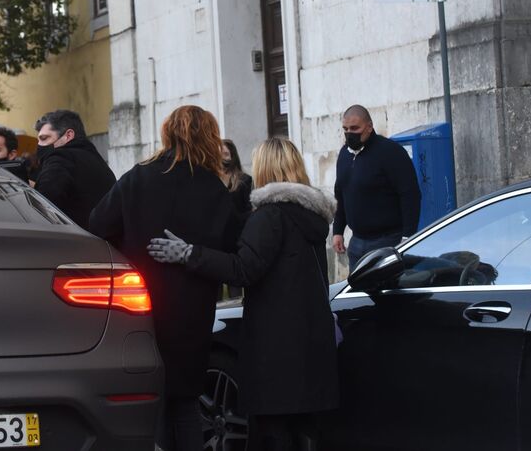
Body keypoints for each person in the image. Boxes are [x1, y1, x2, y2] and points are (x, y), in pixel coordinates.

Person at [147, 137, 339, 451]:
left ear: (265, 168)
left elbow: (242, 270)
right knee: (305, 429)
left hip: (277, 347)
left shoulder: (270, 216)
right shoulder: (312, 216)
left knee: (274, 431)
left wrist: (189, 254)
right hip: (310, 342)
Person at [88, 105, 241, 451]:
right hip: (193, 306)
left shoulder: (138, 177)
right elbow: (232, 246)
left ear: (167, 134)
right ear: (208, 137)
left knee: (148, 398)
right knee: (185, 403)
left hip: (140, 302)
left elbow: (97, 225)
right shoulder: (212, 188)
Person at [332, 105, 421, 271]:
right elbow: (341, 194)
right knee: (358, 295)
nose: (349, 133)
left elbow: (410, 195)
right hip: (357, 243)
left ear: (369, 127)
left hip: (387, 241)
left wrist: (407, 237)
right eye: (345, 129)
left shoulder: (390, 152)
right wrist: (338, 230)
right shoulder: (344, 154)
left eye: (355, 128)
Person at [32, 110, 116, 231]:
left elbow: (41, 205)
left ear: (68, 135)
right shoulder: (96, 160)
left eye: (44, 138)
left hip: (73, 243)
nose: (40, 145)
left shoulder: (60, 158)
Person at [222, 138, 253, 215]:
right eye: (218, 155)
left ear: (233, 157)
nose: (221, 158)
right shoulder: (212, 181)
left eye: (226, 154)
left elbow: (249, 211)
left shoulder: (245, 180)